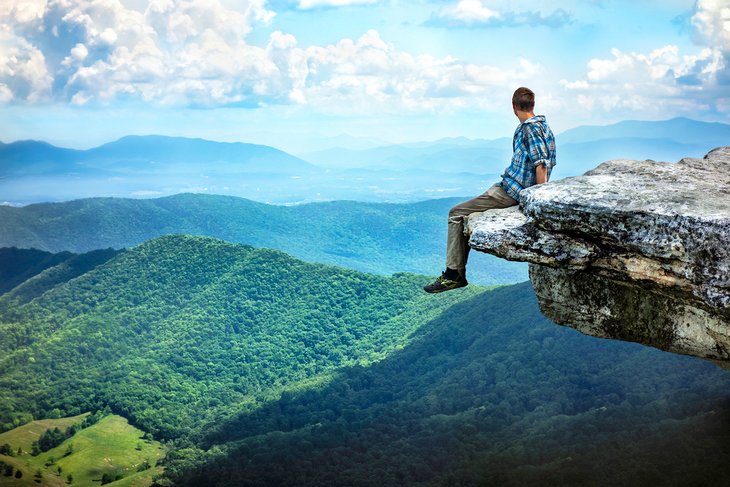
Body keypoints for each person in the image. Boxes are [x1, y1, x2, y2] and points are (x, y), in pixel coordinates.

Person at [424, 86, 556, 293]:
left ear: (513, 107)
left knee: (456, 213)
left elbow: (541, 165)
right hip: (513, 189)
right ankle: (454, 273)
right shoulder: (544, 126)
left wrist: (538, 201)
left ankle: (453, 274)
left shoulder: (530, 129)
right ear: (533, 104)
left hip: (510, 192)